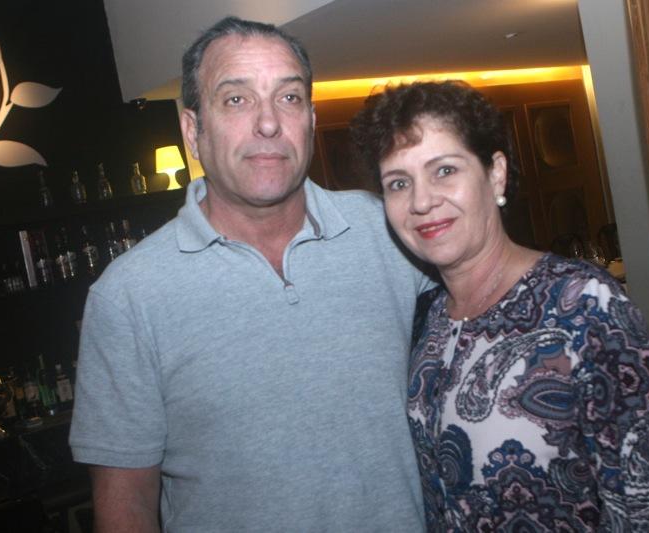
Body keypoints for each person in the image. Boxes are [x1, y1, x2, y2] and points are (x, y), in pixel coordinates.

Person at [69, 16, 432, 532]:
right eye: (236, 99)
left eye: (289, 97)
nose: (268, 123)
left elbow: (491, 291)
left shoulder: (387, 227)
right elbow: (125, 502)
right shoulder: (128, 296)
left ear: (310, 120)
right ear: (193, 131)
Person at [350, 81, 649, 532]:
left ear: (496, 174)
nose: (421, 201)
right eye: (399, 183)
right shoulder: (428, 318)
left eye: (444, 170)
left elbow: (644, 508)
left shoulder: (584, 305)